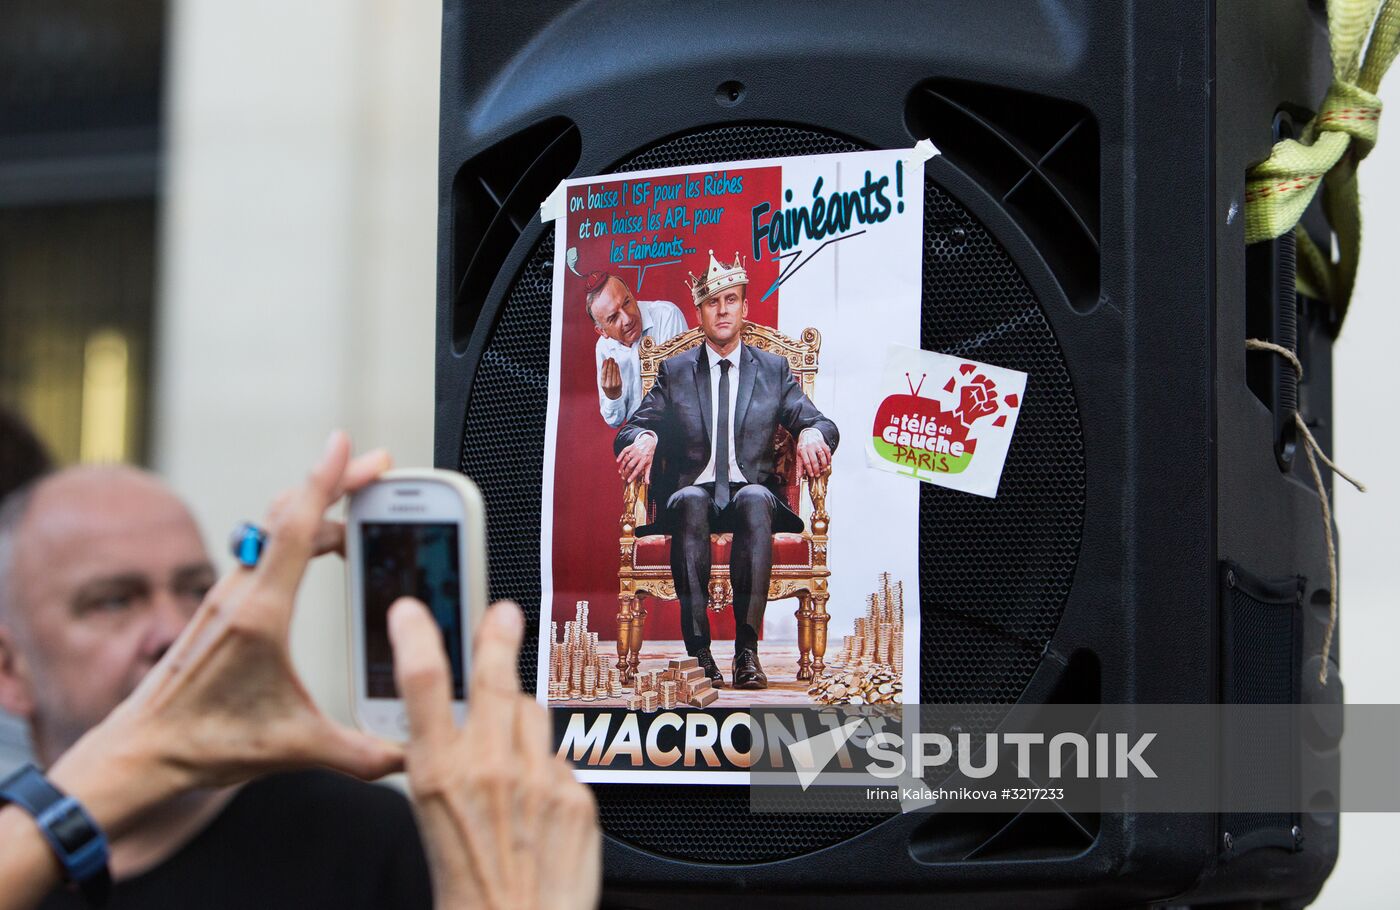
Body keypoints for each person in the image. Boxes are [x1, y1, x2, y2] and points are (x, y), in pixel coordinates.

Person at [0, 433, 600, 910]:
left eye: (196, 590)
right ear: (9, 669)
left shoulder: (378, 843)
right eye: (113, 601)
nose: (175, 630)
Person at [613, 252, 838, 690]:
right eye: (713, 302)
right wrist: (645, 437)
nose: (722, 310)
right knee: (692, 500)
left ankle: (746, 652)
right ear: (699, 312)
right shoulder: (675, 371)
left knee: (754, 497)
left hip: (751, 497)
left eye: (731, 300)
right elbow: (632, 427)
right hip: (691, 497)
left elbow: (820, 422)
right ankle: (699, 655)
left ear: (744, 308)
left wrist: (811, 433)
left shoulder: (773, 370)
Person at [587, 270, 689, 428]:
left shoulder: (667, 315)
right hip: (638, 434)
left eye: (626, 302)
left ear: (631, 293)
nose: (627, 319)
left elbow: (679, 394)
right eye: (614, 318)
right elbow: (614, 421)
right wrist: (613, 396)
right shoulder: (603, 347)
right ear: (602, 331)